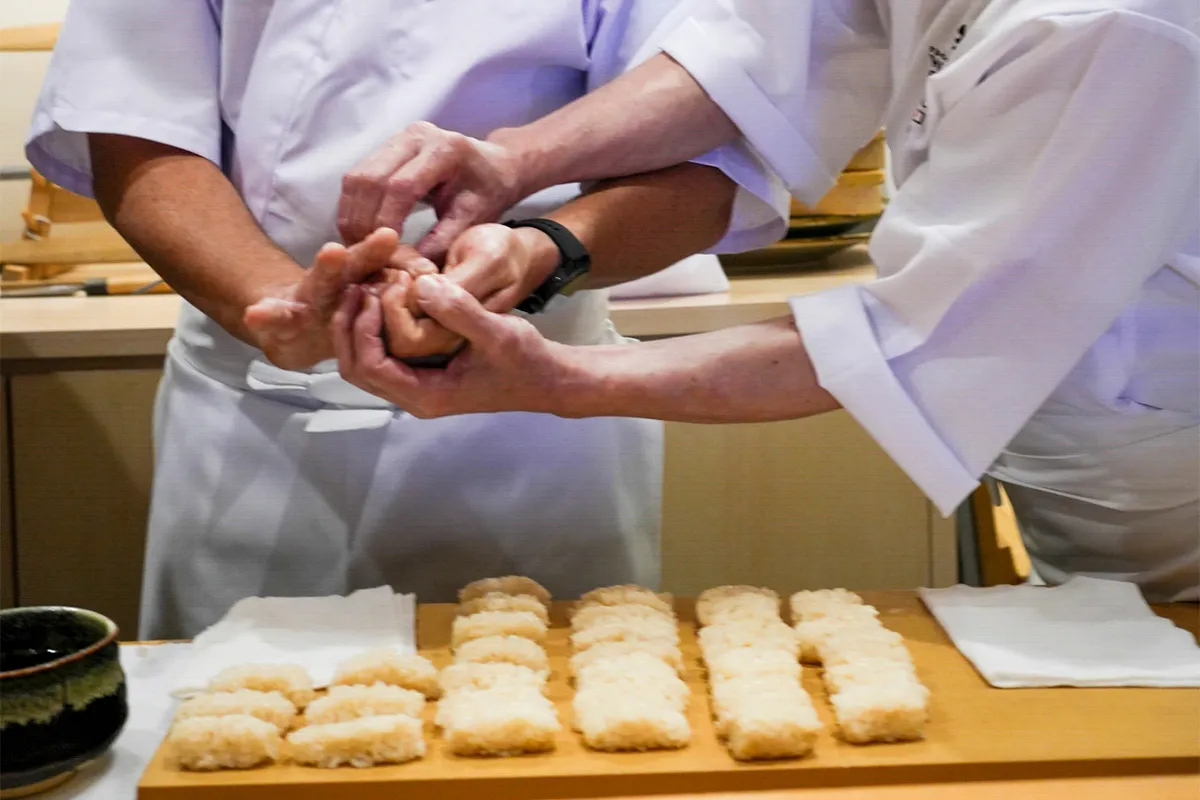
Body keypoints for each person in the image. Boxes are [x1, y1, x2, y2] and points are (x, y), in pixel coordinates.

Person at [331, 0, 1200, 602]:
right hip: (1079, 443)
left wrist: (558, 377)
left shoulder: (1114, 26)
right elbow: (764, 52)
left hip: (1173, 487)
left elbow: (910, 340)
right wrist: (516, 164)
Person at [26, 0, 788, 638]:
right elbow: (136, 129)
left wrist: (540, 252)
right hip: (260, 407)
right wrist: (278, 302)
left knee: (556, 734)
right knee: (237, 748)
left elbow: (715, 151)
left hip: (541, 409)